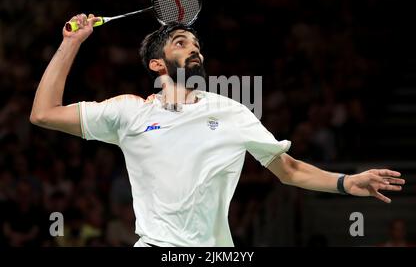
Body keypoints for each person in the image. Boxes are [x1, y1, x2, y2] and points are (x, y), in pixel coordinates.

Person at [30, 13, 405, 247]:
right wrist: (71, 43)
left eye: (196, 44)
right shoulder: (129, 113)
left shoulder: (231, 111)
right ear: (157, 64)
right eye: (182, 43)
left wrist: (345, 183)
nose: (195, 50)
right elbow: (44, 113)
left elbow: (288, 170)